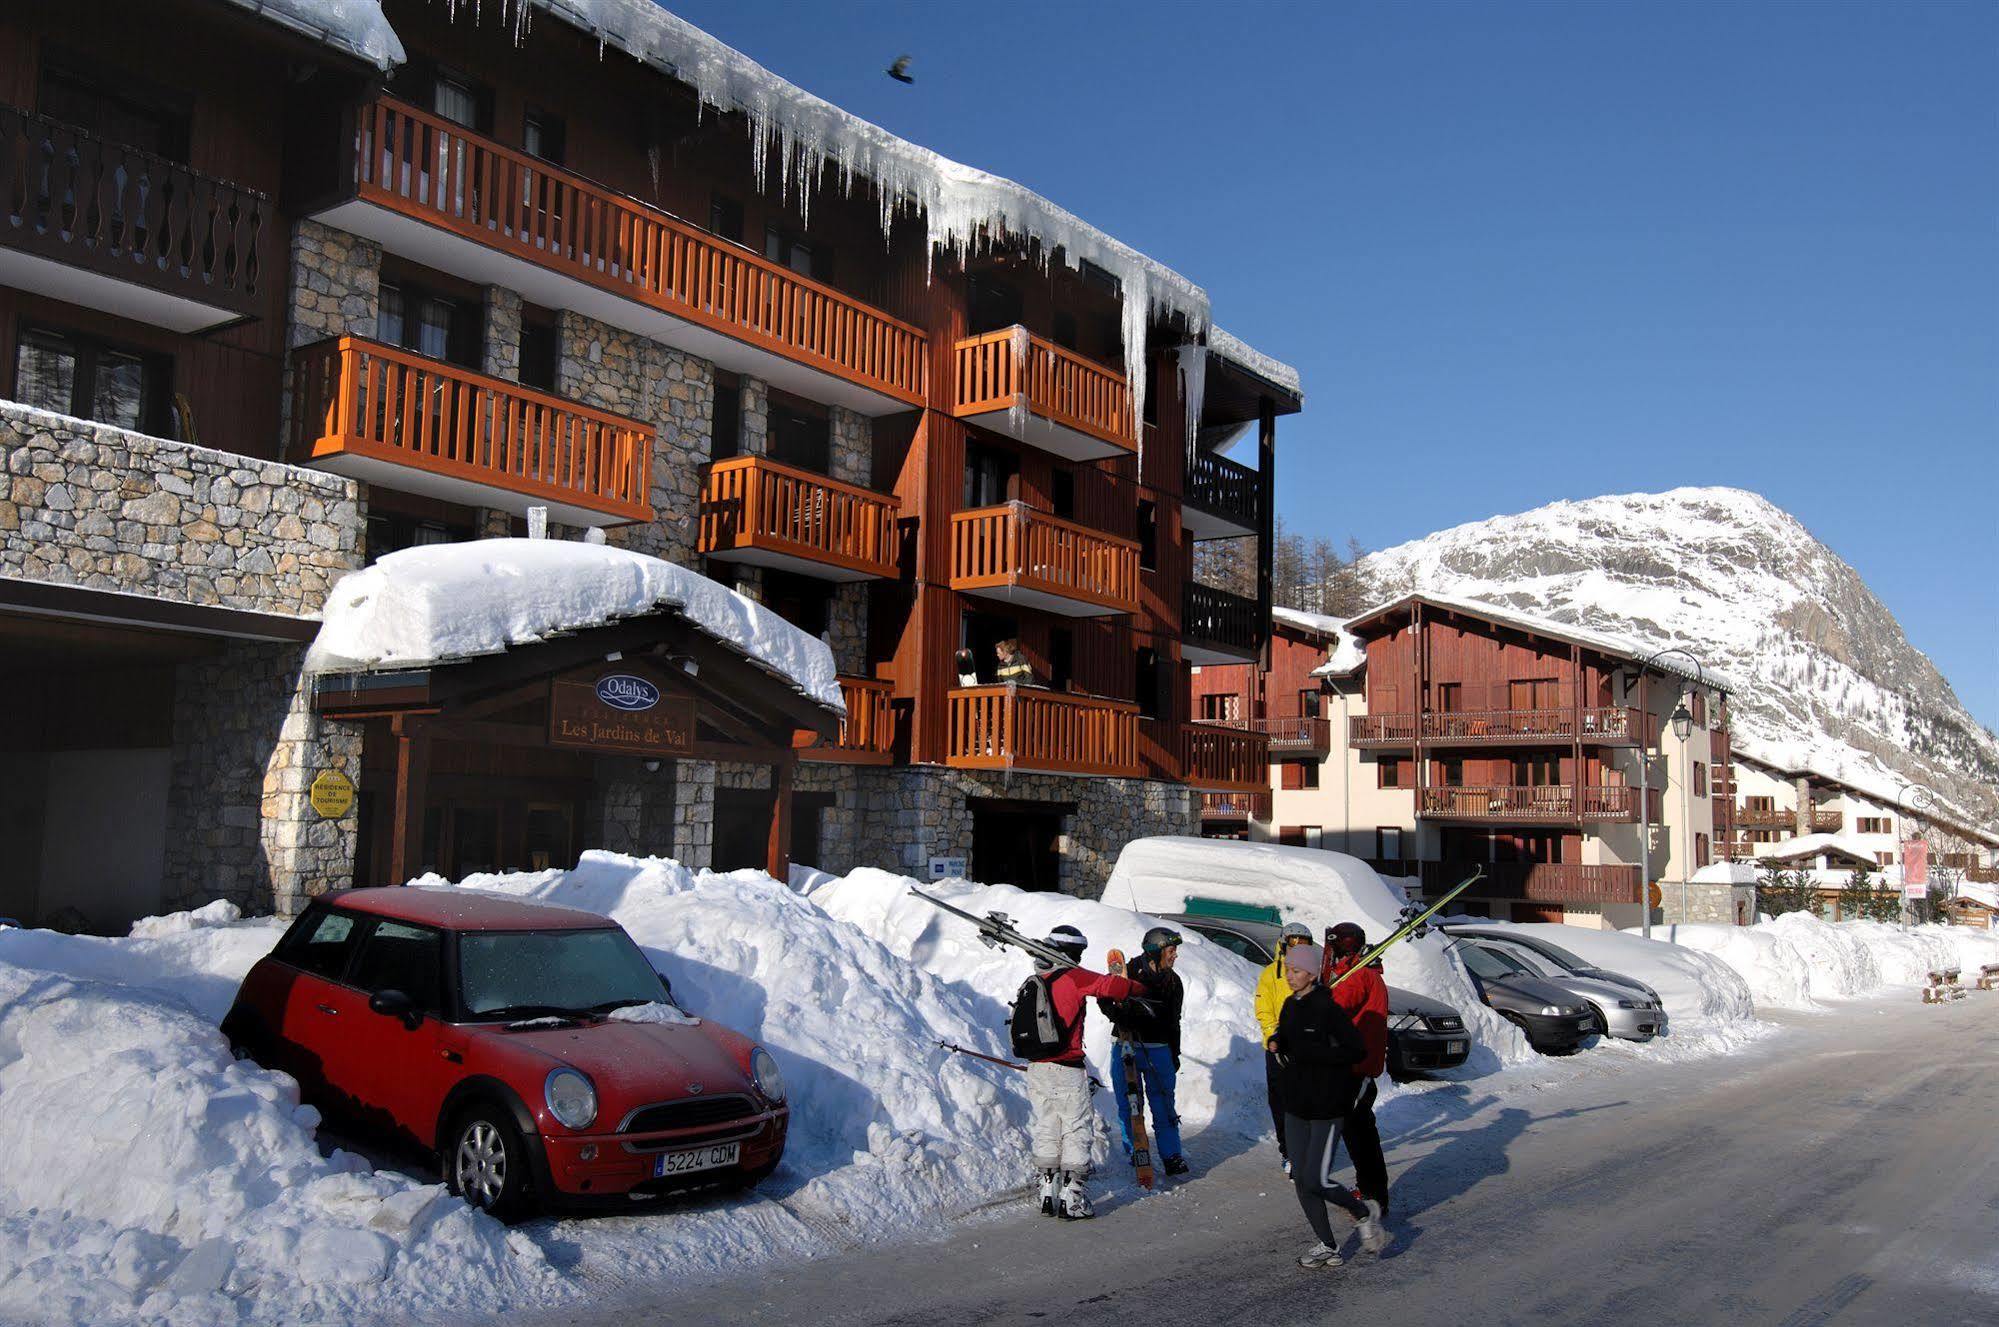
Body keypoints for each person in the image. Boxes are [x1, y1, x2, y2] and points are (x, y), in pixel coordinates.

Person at [1274, 942, 1388, 1268]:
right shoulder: (1289, 1005)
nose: (1290, 976)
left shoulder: (1328, 1009)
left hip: (1325, 1106)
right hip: (1296, 1103)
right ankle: (1327, 1245)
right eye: (1289, 970)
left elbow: (1355, 1050)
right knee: (1301, 1178)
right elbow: (1286, 1034)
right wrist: (1277, 1042)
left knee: (1317, 1179)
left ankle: (1363, 1210)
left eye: (1296, 971)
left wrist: (1314, 1056)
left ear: (1311, 974)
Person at [1025, 924, 1141, 1220]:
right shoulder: (1073, 977)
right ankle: (1073, 1198)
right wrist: (1138, 987)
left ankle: (1047, 1192)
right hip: (1066, 1067)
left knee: (1047, 1125)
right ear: (1073, 951)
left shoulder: (1038, 976)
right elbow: (1112, 986)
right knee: (1076, 1128)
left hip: (1037, 1067)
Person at [1099, 926, 1189, 1177]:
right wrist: (1116, 1013)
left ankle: (1171, 1155)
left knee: (1164, 1103)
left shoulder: (1173, 982)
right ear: (1156, 951)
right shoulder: (1129, 972)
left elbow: (1174, 1021)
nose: (1175, 956)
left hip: (1159, 1048)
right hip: (1126, 1045)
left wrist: (1175, 1054)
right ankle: (1136, 1151)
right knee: (1129, 1103)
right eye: (1171, 951)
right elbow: (1103, 996)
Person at [1328, 920, 1392, 1223]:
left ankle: (1373, 1196)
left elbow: (1336, 1007)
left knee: (1360, 1135)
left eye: (1335, 943)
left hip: (1357, 1066)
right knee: (1360, 1132)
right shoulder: (1361, 972)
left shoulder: (1359, 975)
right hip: (1358, 1063)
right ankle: (1371, 1191)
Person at [1254, 921, 1314, 1174]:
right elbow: (1263, 1008)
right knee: (1281, 1102)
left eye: (1304, 944)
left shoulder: (1313, 974)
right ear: (1283, 943)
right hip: (1279, 1047)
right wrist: (1272, 1034)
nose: (1298, 948)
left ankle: (1309, 1151)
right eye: (1293, 943)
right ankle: (1289, 1151)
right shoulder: (1271, 973)